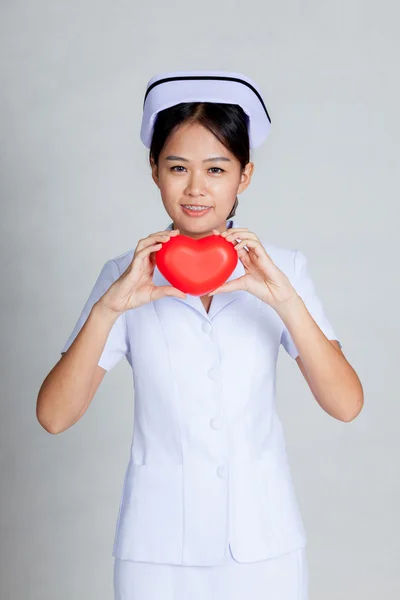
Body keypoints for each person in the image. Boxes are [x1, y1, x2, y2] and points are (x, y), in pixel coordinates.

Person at [36, 70, 364, 599]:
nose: (195, 188)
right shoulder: (123, 275)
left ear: (245, 176)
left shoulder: (285, 270)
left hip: (265, 547)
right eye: (178, 168)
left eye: (216, 169)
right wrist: (108, 309)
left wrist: (283, 298)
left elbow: (346, 404)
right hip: (156, 550)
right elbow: (53, 416)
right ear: (153, 171)